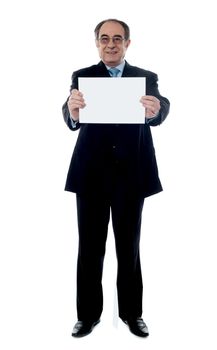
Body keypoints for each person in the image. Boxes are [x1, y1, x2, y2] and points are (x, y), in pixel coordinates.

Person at [62, 18, 170, 338]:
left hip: (130, 175)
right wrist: (72, 111)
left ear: (127, 44)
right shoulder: (82, 76)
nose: (111, 44)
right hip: (91, 174)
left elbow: (161, 106)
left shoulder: (145, 77)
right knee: (90, 248)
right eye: (105, 38)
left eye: (117, 39)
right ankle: (87, 316)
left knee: (129, 247)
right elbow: (70, 112)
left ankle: (132, 314)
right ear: (97, 43)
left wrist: (156, 110)